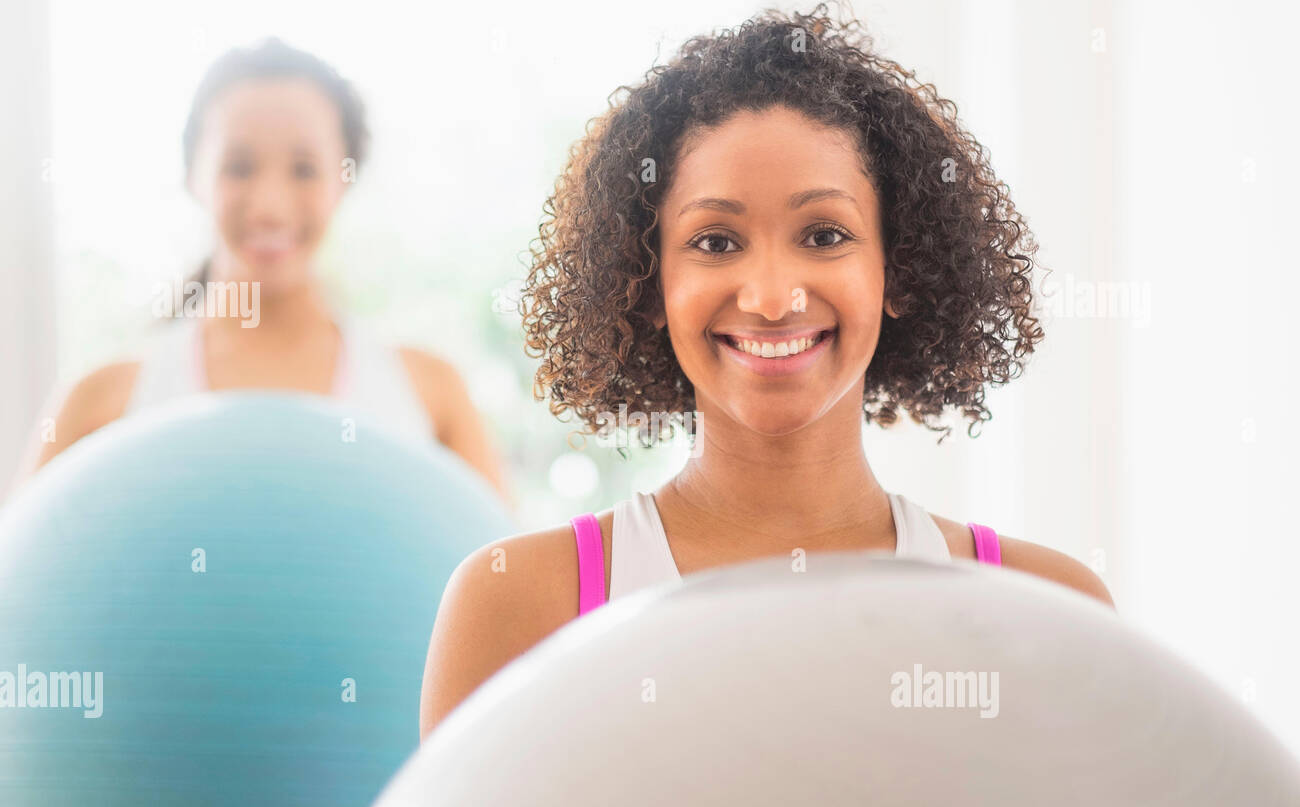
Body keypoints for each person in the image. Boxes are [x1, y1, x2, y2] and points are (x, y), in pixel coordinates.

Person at [419, 6, 1114, 738]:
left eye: (824, 235)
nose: (772, 297)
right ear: (649, 284)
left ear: (898, 270)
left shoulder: (1049, 605)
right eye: (716, 241)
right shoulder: (518, 605)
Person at [15, 38, 508, 501]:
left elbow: (506, 582)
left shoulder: (432, 394)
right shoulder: (97, 402)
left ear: (345, 179)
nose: (270, 205)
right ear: (193, 177)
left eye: (304, 169)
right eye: (240, 166)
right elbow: (18, 577)